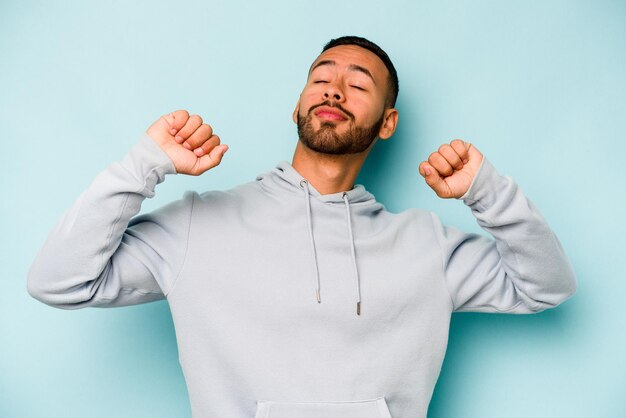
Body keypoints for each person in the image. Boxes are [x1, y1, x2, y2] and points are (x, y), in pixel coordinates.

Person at [28, 36, 576, 418]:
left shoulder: (425, 244)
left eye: (358, 85)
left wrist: (489, 192)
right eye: (321, 78)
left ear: (388, 124)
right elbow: (59, 281)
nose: (334, 90)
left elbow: (546, 286)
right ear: (298, 106)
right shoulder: (199, 224)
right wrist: (144, 163)